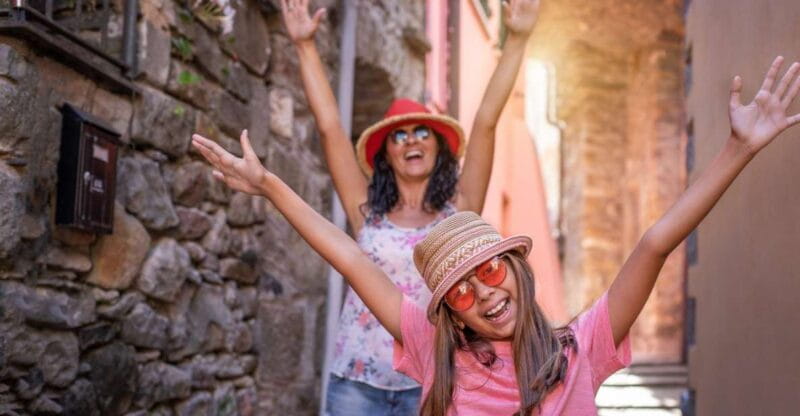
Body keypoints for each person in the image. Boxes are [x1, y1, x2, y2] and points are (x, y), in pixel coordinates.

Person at [193, 38, 800, 415]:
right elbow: (351, 260)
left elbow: (656, 242)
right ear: (450, 313)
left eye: (487, 270)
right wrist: (269, 184)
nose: (483, 292)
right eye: (460, 289)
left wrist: (737, 152)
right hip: (358, 384)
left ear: (514, 267)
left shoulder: (581, 346)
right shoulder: (438, 357)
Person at [275, 0, 541, 413]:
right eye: (399, 137)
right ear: (387, 155)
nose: (412, 140)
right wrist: (305, 46)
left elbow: (486, 120)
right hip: (358, 383)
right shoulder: (366, 210)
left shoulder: (460, 211)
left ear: (439, 148)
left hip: (434, 380)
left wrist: (518, 38)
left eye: (422, 133)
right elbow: (330, 127)